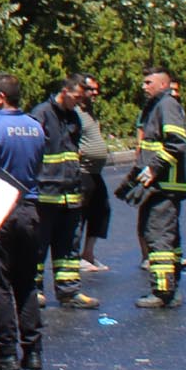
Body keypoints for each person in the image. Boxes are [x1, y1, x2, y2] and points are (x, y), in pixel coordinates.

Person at [0, 72, 50, 370]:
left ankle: (5, 350)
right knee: (26, 282)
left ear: (0, 96)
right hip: (29, 209)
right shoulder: (35, 127)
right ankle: (34, 351)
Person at [27, 79, 97, 309]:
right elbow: (31, 152)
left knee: (68, 246)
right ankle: (33, 290)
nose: (79, 102)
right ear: (64, 92)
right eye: (76, 97)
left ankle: (69, 291)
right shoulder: (42, 114)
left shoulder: (72, 117)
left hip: (70, 193)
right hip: (46, 194)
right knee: (38, 246)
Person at [128, 65, 186, 306]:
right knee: (163, 235)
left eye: (148, 82)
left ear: (163, 84)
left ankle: (163, 292)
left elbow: (176, 143)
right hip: (157, 186)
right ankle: (170, 289)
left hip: (163, 185)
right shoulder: (157, 105)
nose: (144, 87)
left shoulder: (167, 105)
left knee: (159, 237)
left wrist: (154, 168)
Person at [74, 75, 113, 273]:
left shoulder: (90, 112)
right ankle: (73, 256)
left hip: (95, 172)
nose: (95, 93)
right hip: (82, 171)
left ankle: (88, 253)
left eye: (97, 89)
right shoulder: (75, 112)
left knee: (101, 210)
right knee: (79, 214)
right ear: (81, 91)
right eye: (91, 89)